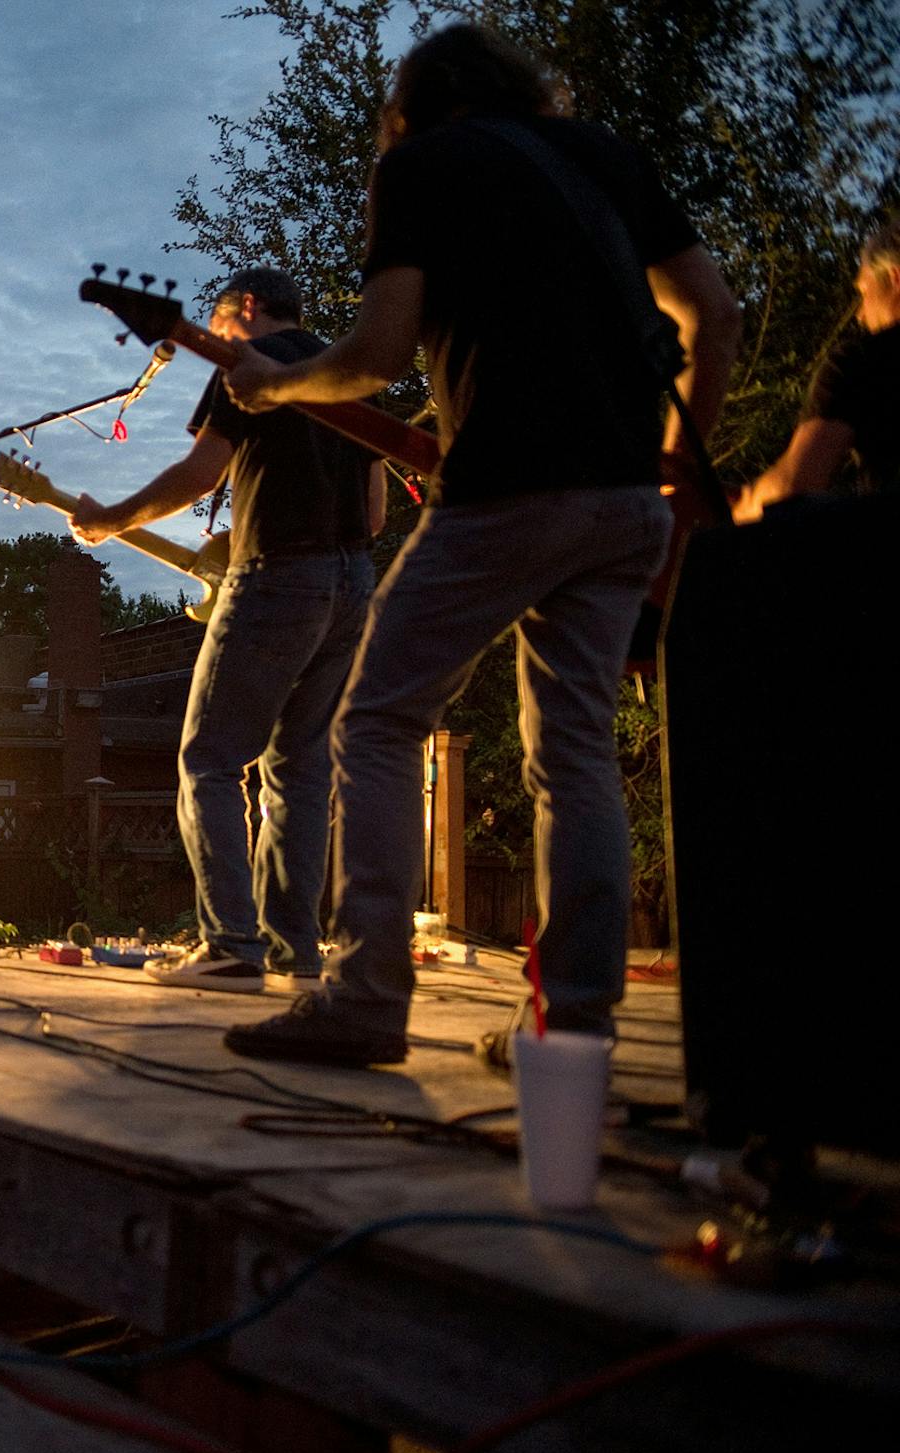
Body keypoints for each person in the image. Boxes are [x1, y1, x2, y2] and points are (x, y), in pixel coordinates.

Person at [218, 22, 739, 1065]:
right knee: (576, 751)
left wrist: (272, 384)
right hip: (628, 498)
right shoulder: (607, 157)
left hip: (506, 488)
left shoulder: (419, 168)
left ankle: (366, 999)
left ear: (413, 105)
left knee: (375, 722)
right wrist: (678, 465)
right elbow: (712, 315)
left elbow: (373, 356)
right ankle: (571, 1026)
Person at [72, 266, 385, 991]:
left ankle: (232, 946)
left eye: (217, 329)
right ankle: (294, 951)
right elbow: (372, 517)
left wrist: (110, 519)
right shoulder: (349, 374)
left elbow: (201, 474)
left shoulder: (249, 367)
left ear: (245, 310)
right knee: (299, 772)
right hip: (351, 583)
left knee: (209, 761)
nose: (215, 344)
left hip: (279, 575)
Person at [734, 217, 900, 518]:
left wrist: (746, 504)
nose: (860, 315)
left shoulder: (863, 360)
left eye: (863, 293)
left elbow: (796, 486)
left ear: (895, 278)